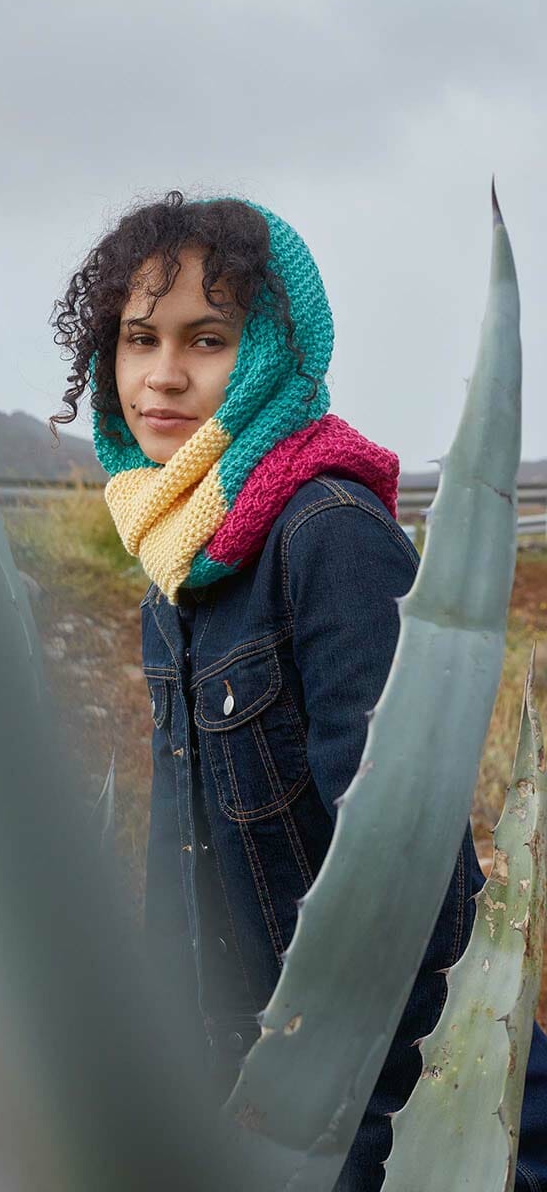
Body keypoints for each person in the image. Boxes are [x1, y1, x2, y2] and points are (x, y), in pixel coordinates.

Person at [48, 190, 547, 1189]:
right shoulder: (176, 564)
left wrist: (404, 1133)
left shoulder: (330, 538)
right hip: (240, 1090)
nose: (162, 375)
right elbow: (185, 859)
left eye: (207, 339)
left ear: (270, 353)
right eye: (139, 338)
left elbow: (411, 888)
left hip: (373, 1098)